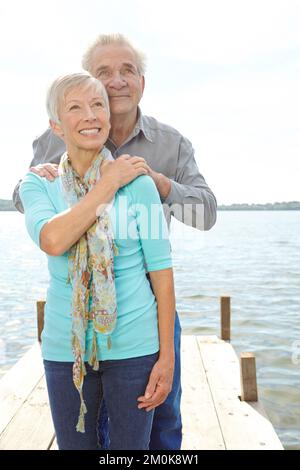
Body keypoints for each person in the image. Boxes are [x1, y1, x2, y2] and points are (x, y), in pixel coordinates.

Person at [13, 34, 217, 450]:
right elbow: (30, 204)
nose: (118, 80)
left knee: (161, 418)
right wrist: (46, 175)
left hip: (148, 303)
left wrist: (161, 185)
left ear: (143, 81)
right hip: (79, 306)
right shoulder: (61, 133)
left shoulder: (170, 143)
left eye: (128, 70)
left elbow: (205, 213)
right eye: (105, 72)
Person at [19, 73, 175, 450]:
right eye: (75, 107)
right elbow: (53, 240)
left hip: (136, 348)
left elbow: (162, 274)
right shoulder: (38, 185)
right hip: (65, 349)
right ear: (56, 125)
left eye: (98, 105)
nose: (90, 115)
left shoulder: (139, 184)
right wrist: (108, 183)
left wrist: (167, 359)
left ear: (108, 117)